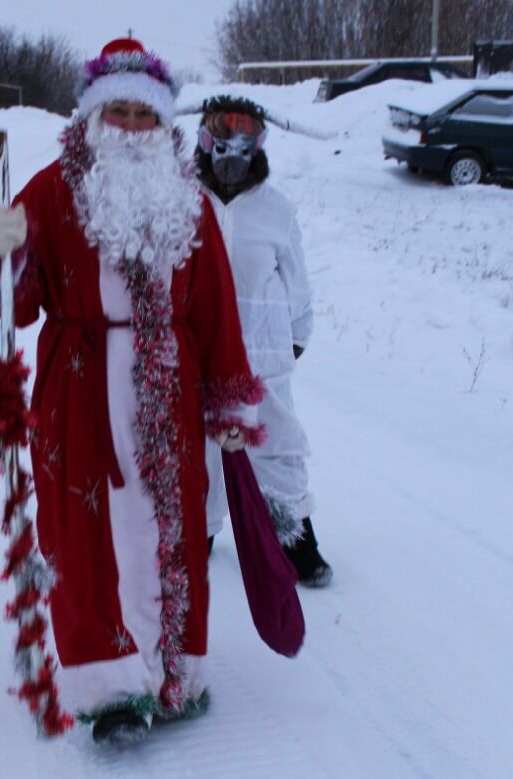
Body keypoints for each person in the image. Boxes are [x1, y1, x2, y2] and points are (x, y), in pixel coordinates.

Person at [0, 39, 266, 745]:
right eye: (118, 110)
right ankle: (109, 691)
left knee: (176, 527)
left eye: (144, 113)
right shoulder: (49, 187)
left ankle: (174, 673)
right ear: (94, 116)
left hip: (173, 390)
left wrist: (228, 400)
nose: (132, 125)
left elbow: (217, 305)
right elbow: (21, 300)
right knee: (84, 531)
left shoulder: (189, 199)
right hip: (80, 386)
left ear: (163, 124)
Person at [195, 95, 332, 587]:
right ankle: (200, 533)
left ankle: (293, 538)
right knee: (200, 449)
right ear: (205, 137)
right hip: (199, 350)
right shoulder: (182, 200)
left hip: (261, 354)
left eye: (244, 133)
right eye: (222, 131)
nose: (232, 145)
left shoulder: (276, 209)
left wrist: (296, 335)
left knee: (276, 446)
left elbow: (295, 279)